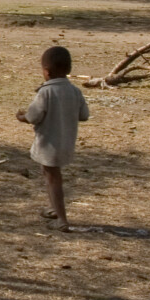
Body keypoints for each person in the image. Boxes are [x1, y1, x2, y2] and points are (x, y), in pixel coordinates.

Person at [17, 45, 90, 231]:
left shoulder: (45, 92)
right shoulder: (75, 91)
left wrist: (22, 117)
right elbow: (84, 115)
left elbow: (33, 116)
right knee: (50, 175)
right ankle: (53, 208)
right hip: (66, 142)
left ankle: (62, 219)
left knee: (53, 179)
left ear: (47, 71)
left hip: (49, 143)